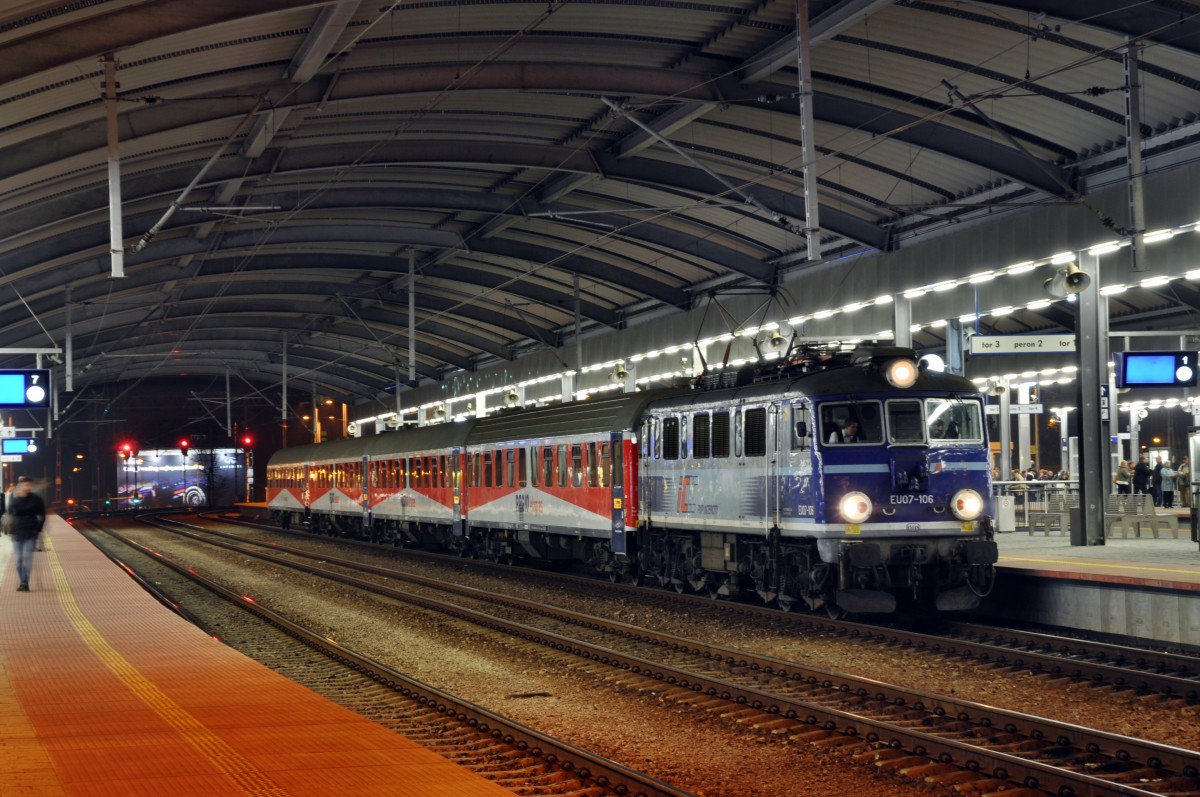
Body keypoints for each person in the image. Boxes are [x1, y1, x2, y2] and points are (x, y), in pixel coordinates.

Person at [5, 476, 46, 592]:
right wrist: (15, 499)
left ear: (31, 486)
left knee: (27, 558)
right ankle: (22, 580)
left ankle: (24, 582)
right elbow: (10, 512)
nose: (26, 487)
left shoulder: (36, 499)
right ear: (20, 486)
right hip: (17, 531)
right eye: (24, 485)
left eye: (28, 485)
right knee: (18, 560)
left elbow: (42, 515)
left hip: (31, 531)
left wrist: (38, 529)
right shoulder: (15, 497)